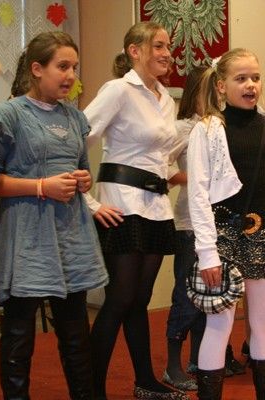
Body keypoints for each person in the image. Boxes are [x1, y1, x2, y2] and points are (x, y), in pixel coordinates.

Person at [0, 32, 108, 399]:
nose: (70, 76)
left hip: (71, 235)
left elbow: (81, 171)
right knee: (19, 335)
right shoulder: (7, 115)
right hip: (28, 237)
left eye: (74, 68)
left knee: (76, 334)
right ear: (37, 69)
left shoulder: (75, 117)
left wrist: (83, 180)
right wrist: (41, 186)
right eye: (62, 67)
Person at [187, 48, 265, 400]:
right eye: (241, 78)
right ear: (221, 86)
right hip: (222, 237)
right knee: (219, 324)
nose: (251, 84)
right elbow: (198, 195)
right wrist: (207, 253)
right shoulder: (207, 129)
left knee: (264, 322)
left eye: (255, 77)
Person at [82, 22, 188, 400]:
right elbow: (79, 139)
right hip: (121, 205)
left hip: (156, 208)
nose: (167, 54)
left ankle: (144, 381)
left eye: (168, 47)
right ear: (134, 50)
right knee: (120, 299)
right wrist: (90, 202)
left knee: (139, 301)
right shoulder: (118, 90)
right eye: (158, 46)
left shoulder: (166, 99)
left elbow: (161, 158)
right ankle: (89, 389)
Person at [163, 65, 208, 391]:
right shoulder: (183, 128)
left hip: (216, 223)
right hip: (189, 223)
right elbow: (161, 166)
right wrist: (192, 179)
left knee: (210, 295)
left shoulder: (218, 126)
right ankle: (172, 366)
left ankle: (199, 358)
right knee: (186, 295)